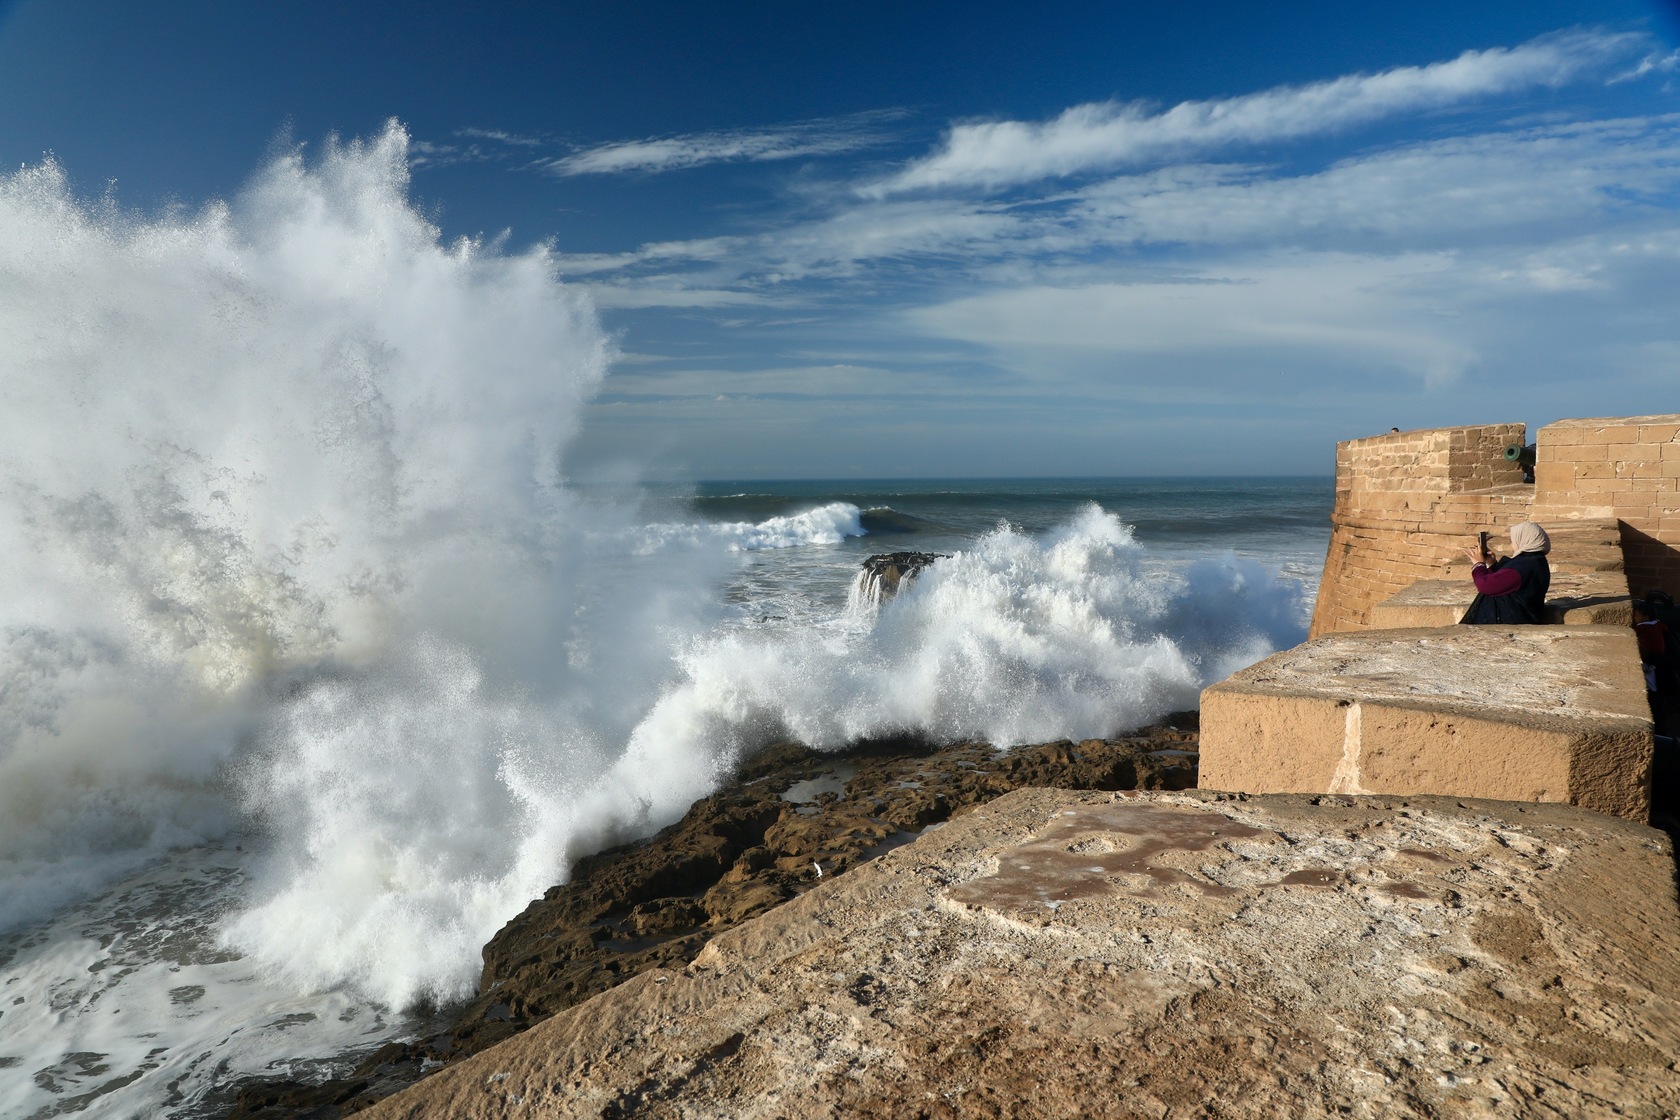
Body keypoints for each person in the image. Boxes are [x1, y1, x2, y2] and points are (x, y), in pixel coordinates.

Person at [1462, 521, 1550, 624]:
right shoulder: (1535, 560)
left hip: (1513, 620)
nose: (1512, 545)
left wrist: (1478, 565)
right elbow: (1506, 583)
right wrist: (1492, 564)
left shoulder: (1522, 567)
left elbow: (1484, 585)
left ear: (1524, 539)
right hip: (1524, 615)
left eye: (1513, 541)